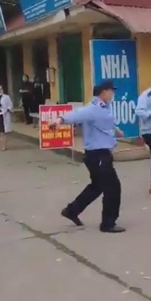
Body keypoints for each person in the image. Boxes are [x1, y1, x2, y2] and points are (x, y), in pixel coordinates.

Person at [49, 81, 126, 233]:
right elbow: (78, 114)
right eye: (111, 91)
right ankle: (108, 223)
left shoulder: (104, 107)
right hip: (98, 155)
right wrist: (60, 120)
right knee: (113, 188)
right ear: (104, 92)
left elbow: (103, 122)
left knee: (97, 186)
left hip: (98, 154)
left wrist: (116, 130)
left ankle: (72, 210)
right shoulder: (93, 108)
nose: (113, 93)